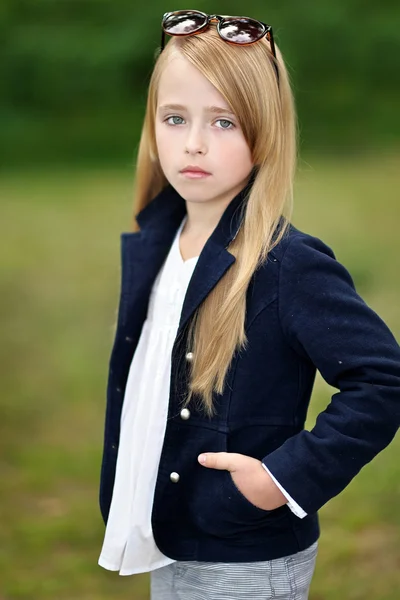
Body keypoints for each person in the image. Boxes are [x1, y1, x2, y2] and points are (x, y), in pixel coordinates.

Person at [97, 10, 400, 599]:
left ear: (265, 134)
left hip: (241, 556)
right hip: (170, 530)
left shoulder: (289, 264)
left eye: (225, 122)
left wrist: (279, 479)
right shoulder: (159, 240)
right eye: (175, 117)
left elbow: (384, 380)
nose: (193, 142)